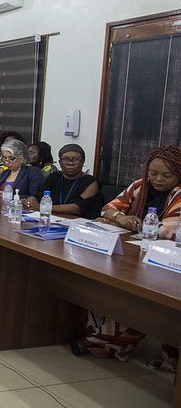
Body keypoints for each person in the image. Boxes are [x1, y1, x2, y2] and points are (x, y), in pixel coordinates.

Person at [73, 145, 181, 370]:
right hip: (133, 253)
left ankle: (104, 342)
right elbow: (108, 208)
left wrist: (127, 222)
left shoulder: (179, 194)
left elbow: (168, 230)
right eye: (153, 173)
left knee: (139, 302)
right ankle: (104, 339)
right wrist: (121, 218)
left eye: (166, 175)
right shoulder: (140, 186)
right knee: (104, 284)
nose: (158, 179)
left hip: (166, 264)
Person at [23, 144, 104, 218]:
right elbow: (37, 196)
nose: (70, 163)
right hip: (55, 220)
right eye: (65, 159)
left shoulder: (90, 182)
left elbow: (76, 209)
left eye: (76, 159)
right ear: (60, 162)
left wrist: (42, 207)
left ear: (82, 162)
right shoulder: (54, 177)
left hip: (80, 223)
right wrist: (31, 201)